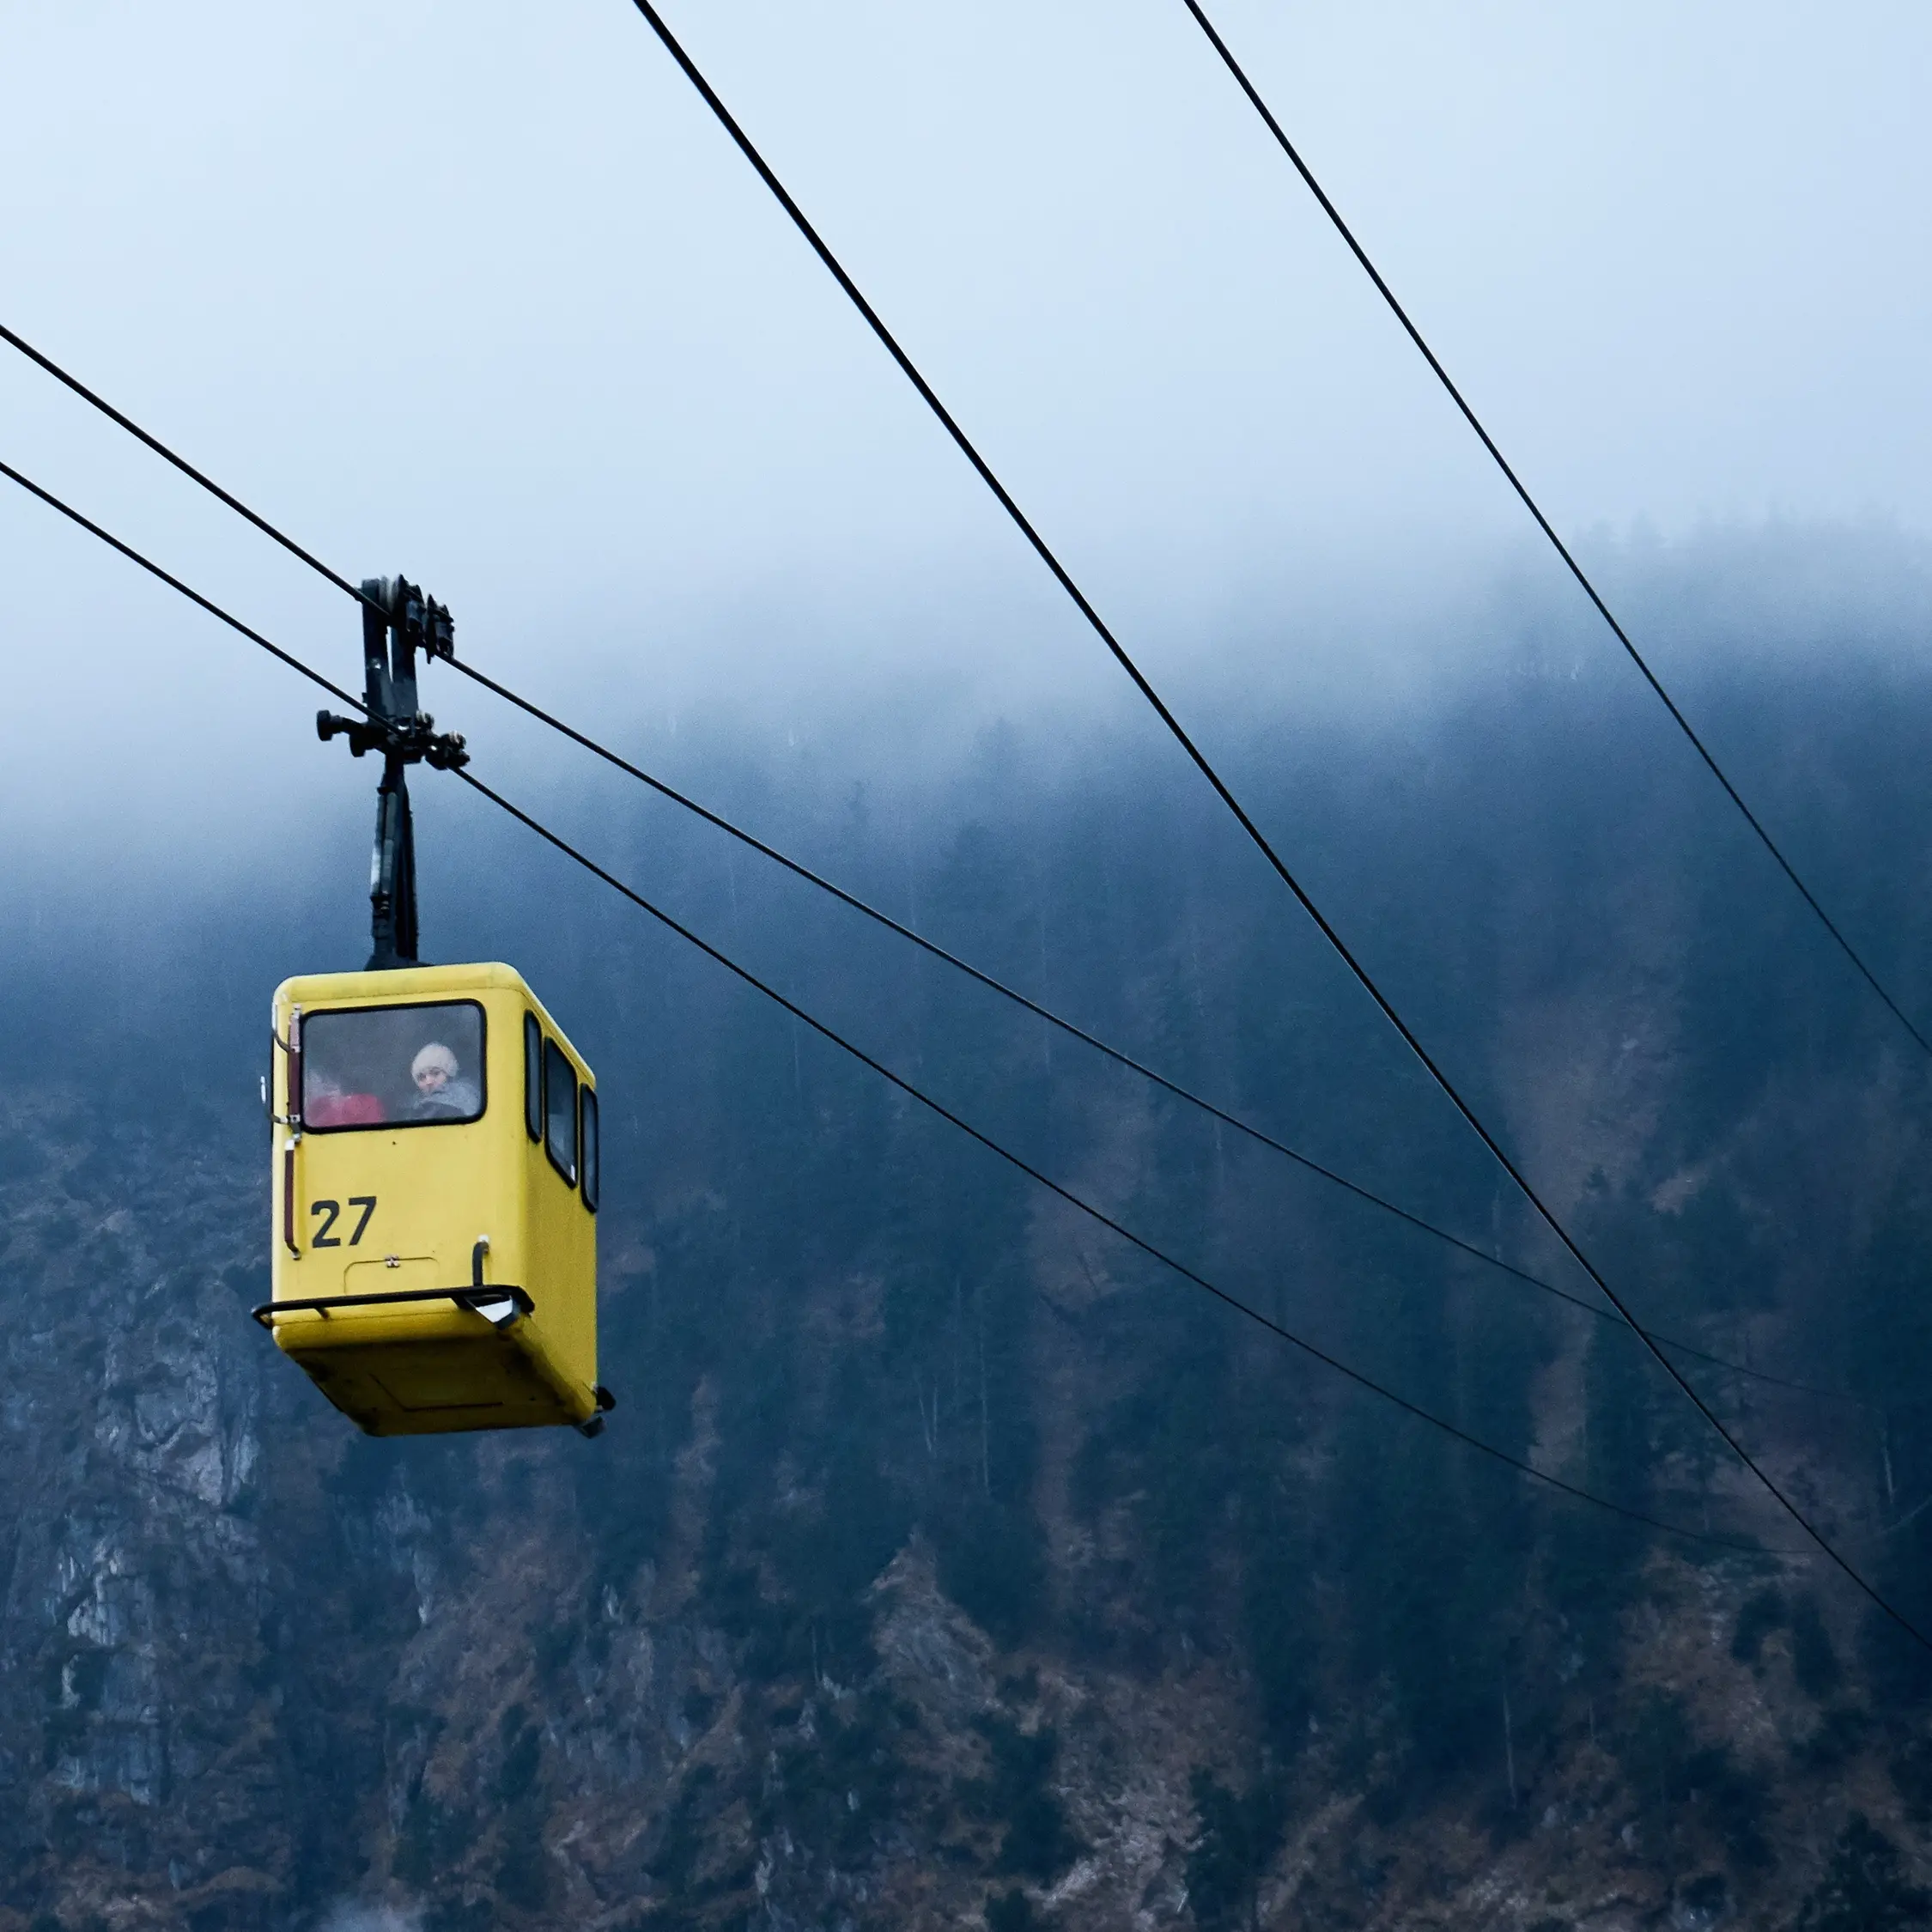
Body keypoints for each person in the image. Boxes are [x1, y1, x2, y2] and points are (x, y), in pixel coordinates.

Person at [408, 1042, 480, 1120]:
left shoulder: (464, 1103)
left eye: (435, 1073)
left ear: (449, 1075)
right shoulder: (416, 1108)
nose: (429, 1082)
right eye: (422, 1077)